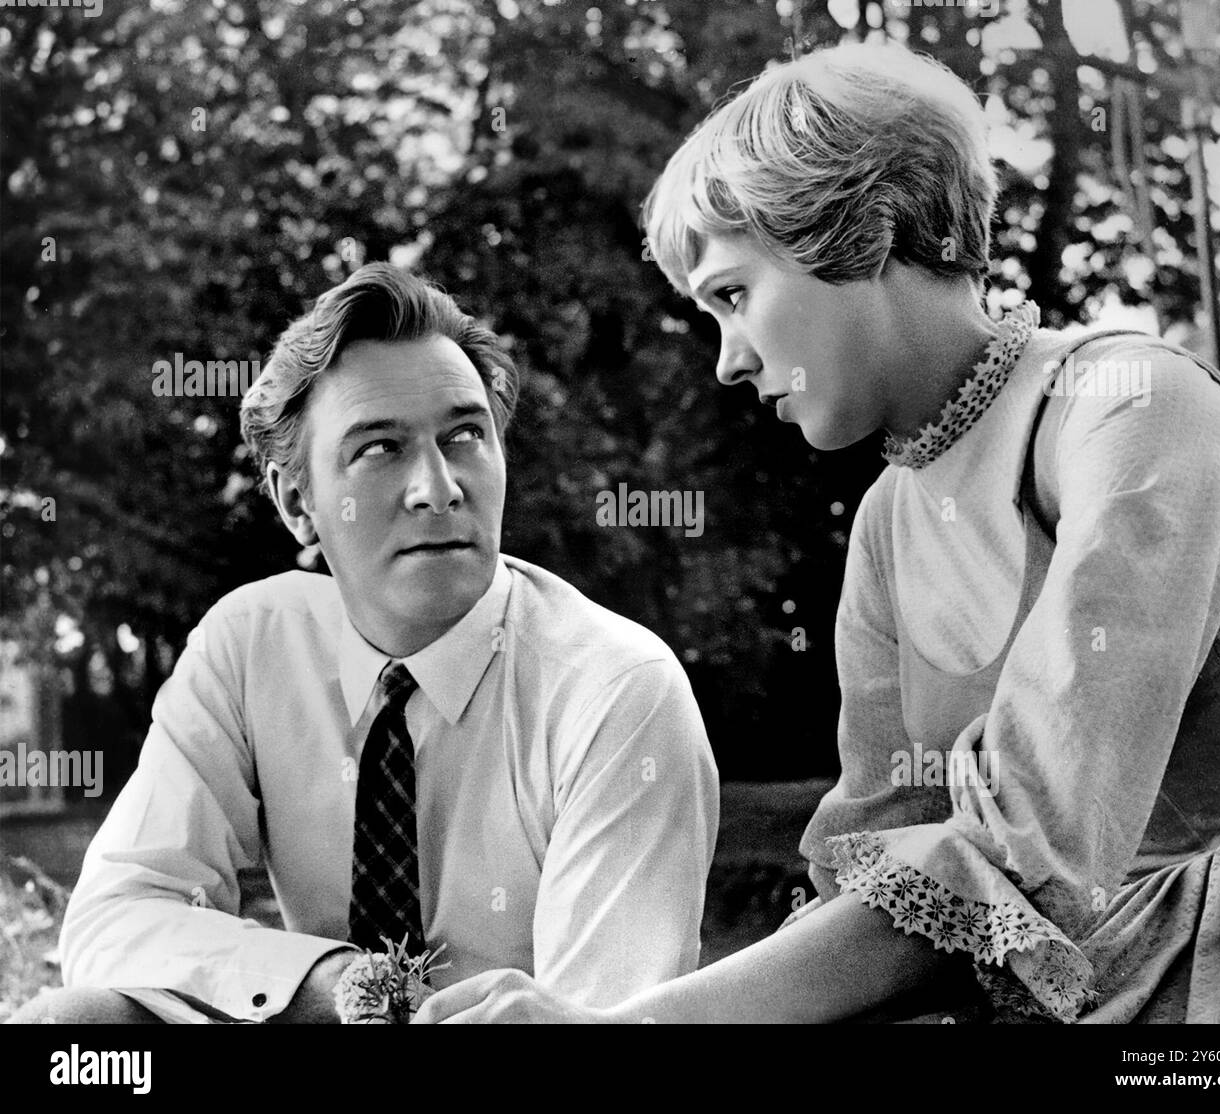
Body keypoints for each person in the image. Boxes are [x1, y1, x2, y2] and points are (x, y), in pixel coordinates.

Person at [416, 41, 1220, 1024]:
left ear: (861, 233)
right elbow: (875, 881)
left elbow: (1024, 848)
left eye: (733, 296)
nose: (727, 364)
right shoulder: (888, 521)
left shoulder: (1130, 407)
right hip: (1088, 996)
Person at [8, 264, 719, 1024]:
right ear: (296, 503)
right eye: (380, 449)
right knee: (71, 1028)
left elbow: (603, 1022)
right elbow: (116, 917)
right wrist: (335, 986)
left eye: (466, 435)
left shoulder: (618, 693)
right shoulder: (251, 646)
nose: (438, 487)